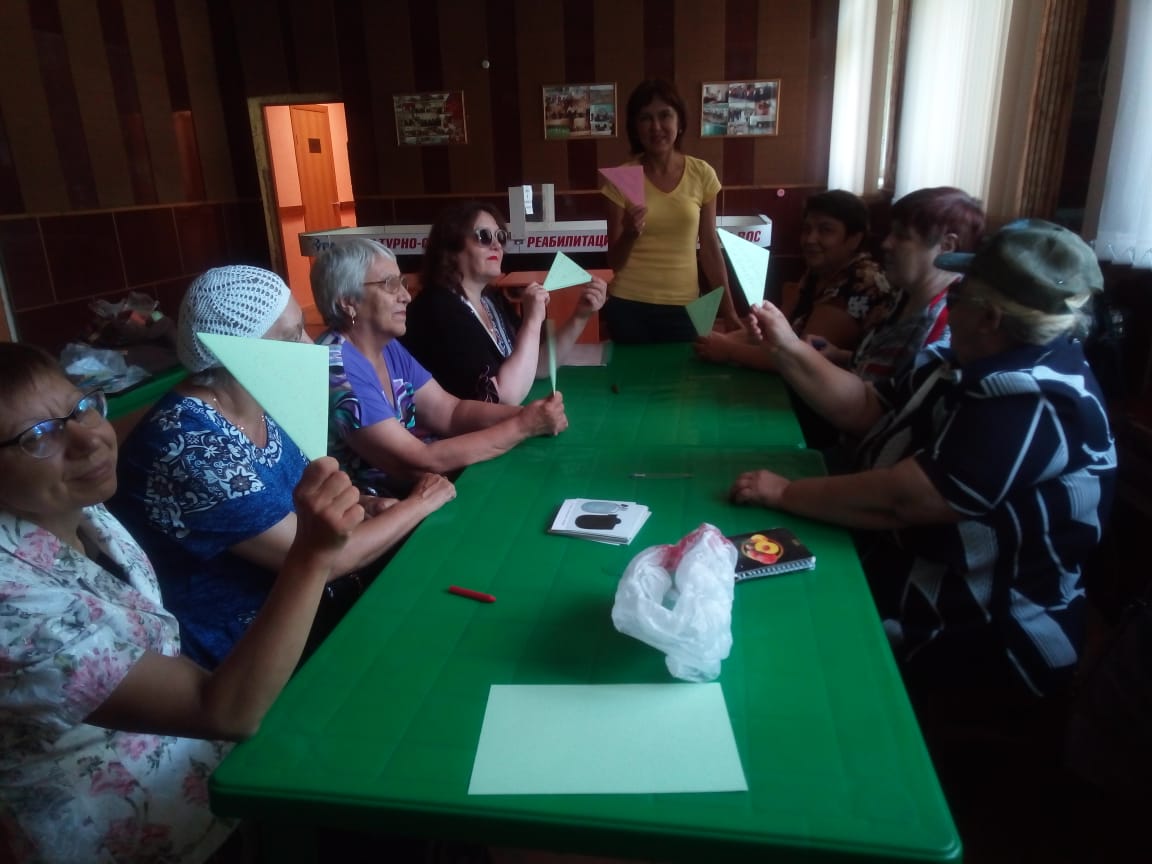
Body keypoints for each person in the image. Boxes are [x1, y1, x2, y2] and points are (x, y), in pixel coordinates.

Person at [729, 219, 1117, 724]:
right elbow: (867, 408)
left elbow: (906, 500)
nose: (949, 303)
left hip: (980, 632)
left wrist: (785, 493)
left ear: (991, 317)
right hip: (904, 578)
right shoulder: (961, 360)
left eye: (959, 295)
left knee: (772, 659)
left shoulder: (1035, 397)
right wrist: (788, 347)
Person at [0, 342, 363, 863]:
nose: (87, 439)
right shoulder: (12, 605)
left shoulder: (80, 508)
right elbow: (224, 711)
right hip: (128, 837)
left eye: (80, 407)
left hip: (207, 785)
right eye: (37, 436)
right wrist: (311, 554)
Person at [111, 266, 456, 669]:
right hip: (246, 657)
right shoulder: (190, 448)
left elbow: (298, 497)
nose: (311, 346)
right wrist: (420, 502)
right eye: (292, 336)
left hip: (307, 617)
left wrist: (365, 503)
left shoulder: (263, 402)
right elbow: (325, 559)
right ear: (241, 353)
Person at [310, 239, 568, 496]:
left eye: (402, 283)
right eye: (389, 285)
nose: (406, 296)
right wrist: (523, 426)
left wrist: (530, 414)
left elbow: (450, 412)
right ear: (348, 302)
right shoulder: (338, 369)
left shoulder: (386, 346)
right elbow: (418, 460)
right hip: (378, 509)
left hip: (422, 491)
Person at [401, 201, 607, 404]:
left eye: (500, 236)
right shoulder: (438, 309)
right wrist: (533, 320)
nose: (497, 245)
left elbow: (537, 366)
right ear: (451, 247)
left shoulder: (489, 299)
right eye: (484, 236)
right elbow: (504, 396)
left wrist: (580, 316)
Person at [600, 78, 741, 343]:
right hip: (628, 305)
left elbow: (710, 249)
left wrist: (730, 312)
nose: (656, 127)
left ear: (680, 122)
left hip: (685, 306)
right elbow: (614, 262)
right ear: (635, 128)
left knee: (685, 371)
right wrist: (629, 233)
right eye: (645, 118)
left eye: (665, 115)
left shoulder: (702, 174)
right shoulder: (622, 178)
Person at [695, 189, 893, 368]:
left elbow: (802, 360)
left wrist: (728, 349)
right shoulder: (820, 271)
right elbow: (775, 330)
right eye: (807, 229)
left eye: (825, 230)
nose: (810, 239)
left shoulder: (859, 283)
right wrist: (721, 339)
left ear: (855, 239)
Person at [811, 187, 985, 383]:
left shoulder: (945, 326)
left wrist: (794, 348)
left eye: (902, 236)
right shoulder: (906, 294)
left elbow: (880, 398)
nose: (886, 244)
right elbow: (888, 366)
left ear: (947, 246)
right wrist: (840, 355)